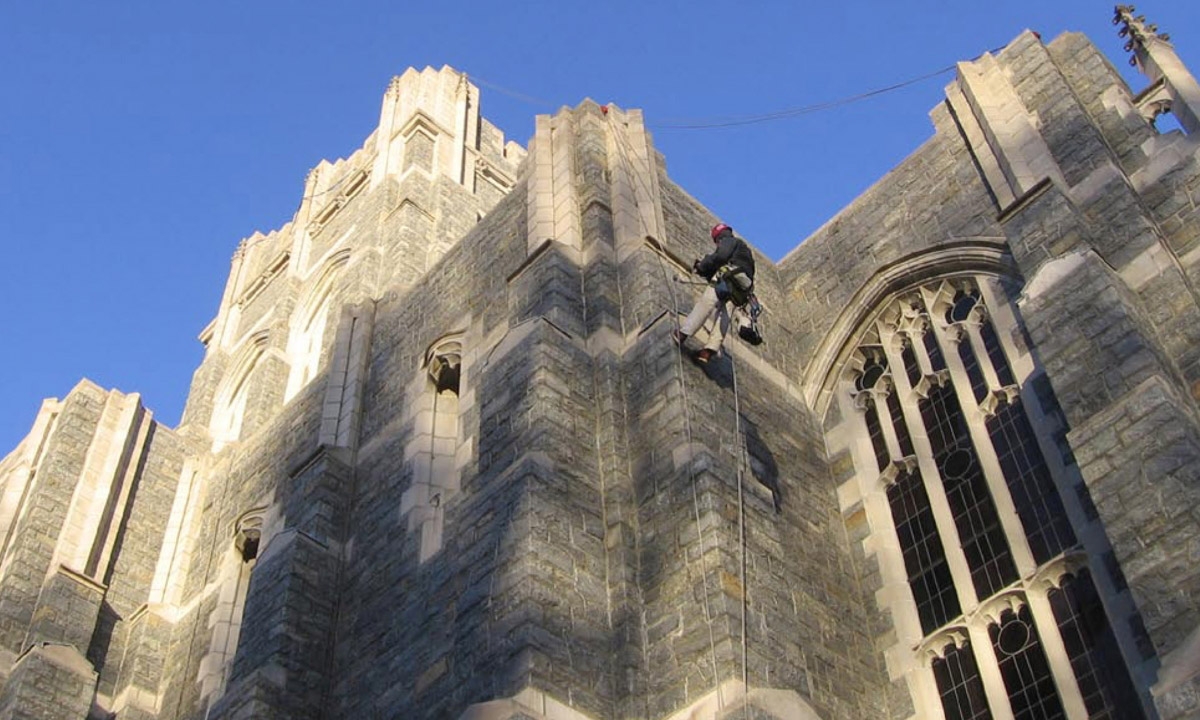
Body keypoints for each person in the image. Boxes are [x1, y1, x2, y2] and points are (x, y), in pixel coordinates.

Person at [674, 223, 756, 364]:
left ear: (719, 237)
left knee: (707, 303)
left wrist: (702, 265)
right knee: (725, 314)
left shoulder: (729, 241)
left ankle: (683, 333)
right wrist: (706, 270)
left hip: (729, 276)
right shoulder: (744, 251)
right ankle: (708, 351)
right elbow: (723, 262)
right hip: (742, 287)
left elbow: (721, 256)